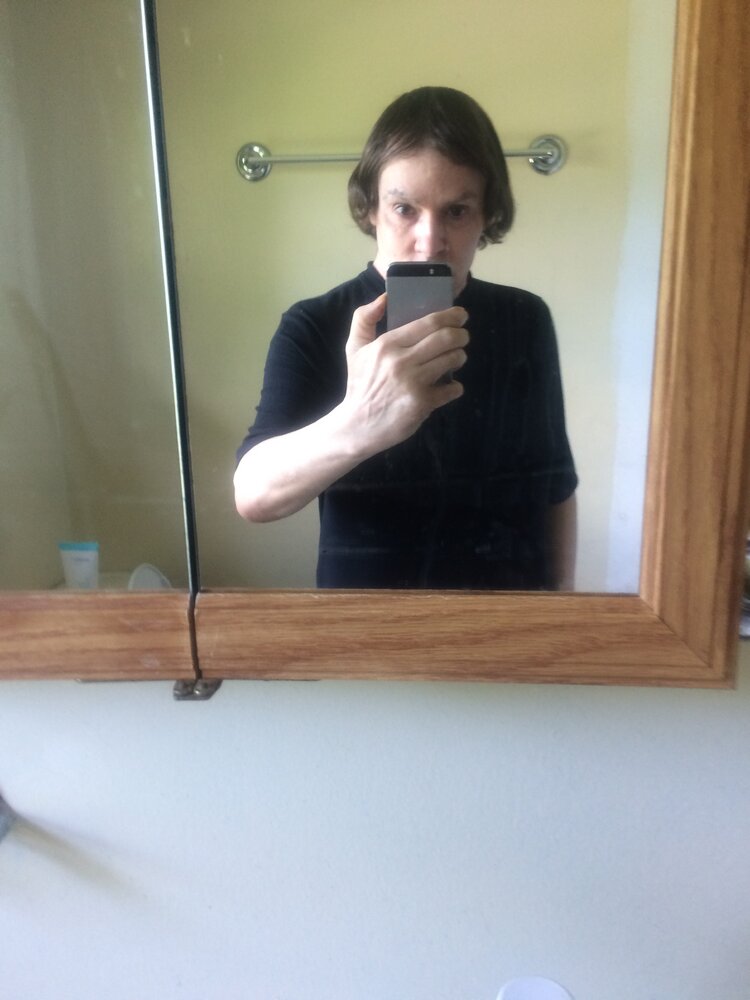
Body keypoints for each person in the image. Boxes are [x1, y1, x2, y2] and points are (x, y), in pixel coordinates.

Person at [234, 86, 577, 590]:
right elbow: (253, 496)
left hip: (508, 618)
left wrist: (563, 611)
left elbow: (555, 487)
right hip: (367, 623)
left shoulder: (524, 319)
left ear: (486, 214)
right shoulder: (314, 324)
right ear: (371, 207)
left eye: (456, 211)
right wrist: (361, 419)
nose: (429, 240)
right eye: (404, 208)